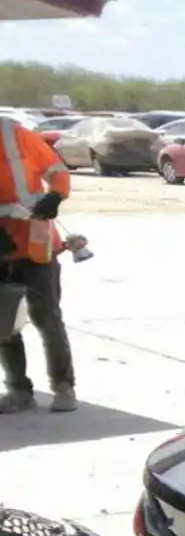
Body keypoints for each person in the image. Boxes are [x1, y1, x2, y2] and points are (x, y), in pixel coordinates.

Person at [1, 114, 76, 413]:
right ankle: (19, 391)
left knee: (48, 320)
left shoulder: (14, 134)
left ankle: (64, 387)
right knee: (4, 325)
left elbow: (56, 170)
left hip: (36, 243)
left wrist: (55, 195)